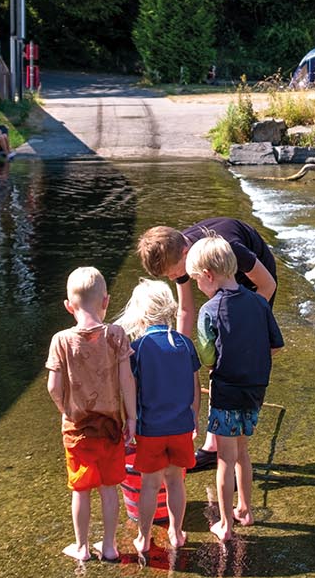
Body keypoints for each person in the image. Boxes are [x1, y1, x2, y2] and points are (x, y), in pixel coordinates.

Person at [137, 218, 278, 469]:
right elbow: (186, 310)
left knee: (241, 365)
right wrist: (177, 351)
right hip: (221, 292)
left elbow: (267, 285)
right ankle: (215, 446)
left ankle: (238, 438)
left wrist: (242, 329)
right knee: (218, 365)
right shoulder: (179, 253)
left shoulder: (229, 247)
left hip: (254, 287)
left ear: (185, 252)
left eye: (174, 273)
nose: (174, 277)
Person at [185, 235, 283, 543]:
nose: (198, 287)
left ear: (209, 276)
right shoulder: (258, 302)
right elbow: (275, 346)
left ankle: (226, 525)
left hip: (226, 390)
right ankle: (246, 509)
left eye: (197, 280)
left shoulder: (209, 311)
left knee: (225, 458)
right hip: (255, 391)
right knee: (243, 452)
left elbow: (207, 356)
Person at [45, 266, 136, 562]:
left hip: (77, 428)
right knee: (110, 487)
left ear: (68, 306)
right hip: (111, 427)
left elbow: (53, 386)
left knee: (81, 488)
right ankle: (109, 546)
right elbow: (127, 381)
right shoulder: (116, 335)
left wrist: (65, 409)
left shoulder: (61, 340)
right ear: (106, 301)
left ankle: (82, 547)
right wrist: (131, 417)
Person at [117, 279, 200, 554]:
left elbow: (132, 390)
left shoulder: (138, 349)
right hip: (180, 427)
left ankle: (143, 537)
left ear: (140, 315)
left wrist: (130, 419)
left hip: (150, 429)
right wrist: (194, 418)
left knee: (150, 485)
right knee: (176, 481)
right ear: (170, 310)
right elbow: (195, 385)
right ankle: (176, 533)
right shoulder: (185, 344)